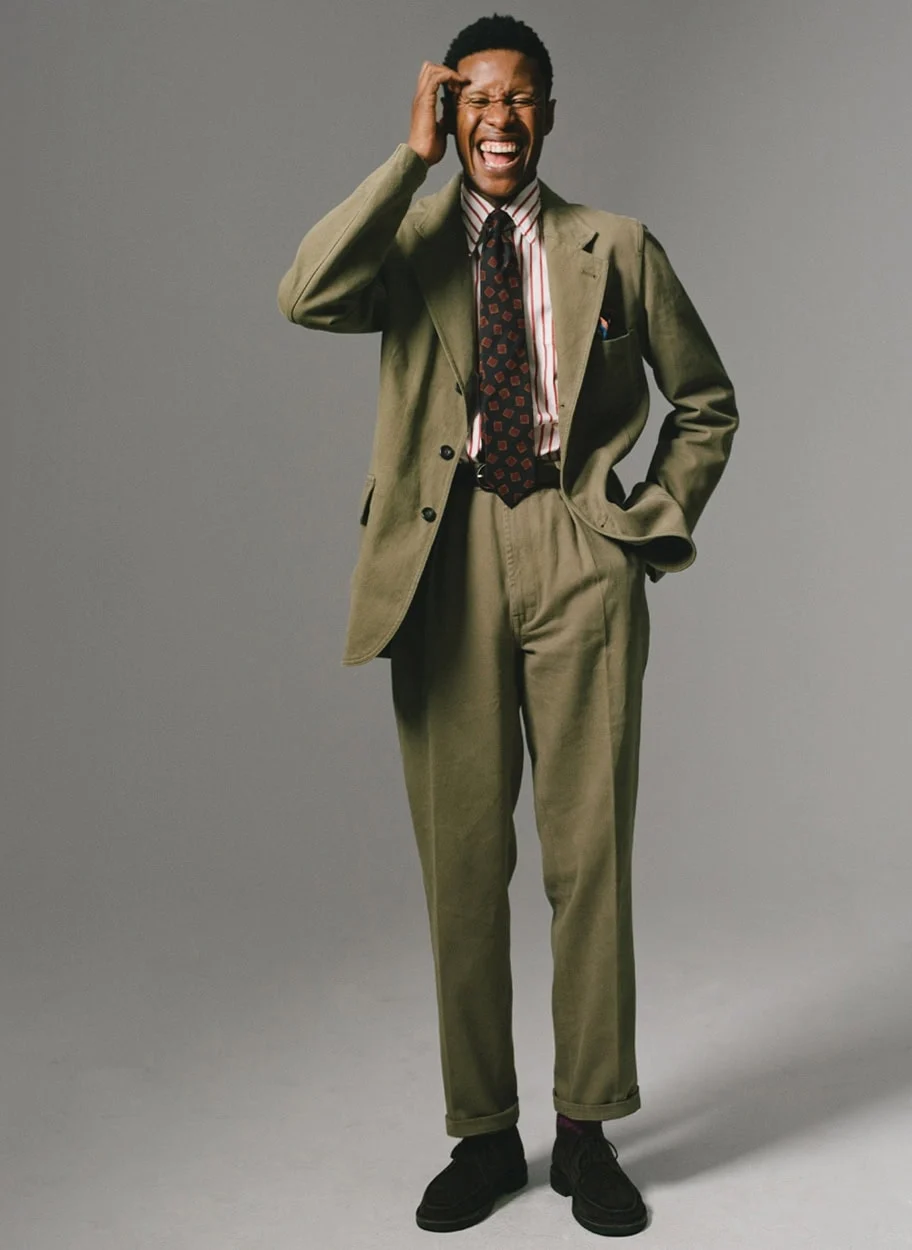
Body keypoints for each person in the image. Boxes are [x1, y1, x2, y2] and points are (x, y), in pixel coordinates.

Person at [277, 13, 738, 1237]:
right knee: (464, 865)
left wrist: (644, 521)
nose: (498, 117)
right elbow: (305, 292)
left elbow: (705, 400)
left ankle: (587, 1132)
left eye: (518, 96)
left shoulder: (614, 245)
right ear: (450, 109)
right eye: (474, 96)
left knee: (590, 861)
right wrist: (406, 159)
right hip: (445, 559)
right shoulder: (410, 243)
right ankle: (482, 1134)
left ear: (549, 112)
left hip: (578, 552)